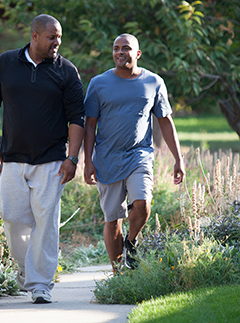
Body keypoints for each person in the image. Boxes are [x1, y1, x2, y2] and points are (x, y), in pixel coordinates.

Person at [0, 14, 84, 303]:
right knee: (12, 217)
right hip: (12, 157)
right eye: (52, 37)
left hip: (52, 160)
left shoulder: (67, 71)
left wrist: (72, 158)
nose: (57, 42)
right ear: (35, 36)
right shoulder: (6, 63)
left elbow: (76, 118)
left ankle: (40, 284)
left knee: (46, 222)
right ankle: (27, 272)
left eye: (60, 37)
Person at [83, 33, 184, 272]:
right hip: (106, 159)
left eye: (126, 48)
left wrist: (178, 158)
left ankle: (131, 241)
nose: (120, 52)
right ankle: (118, 273)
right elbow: (89, 124)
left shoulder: (153, 82)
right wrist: (87, 161)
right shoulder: (98, 84)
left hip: (139, 155)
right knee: (112, 220)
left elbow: (166, 122)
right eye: (116, 48)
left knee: (142, 203)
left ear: (137, 54)